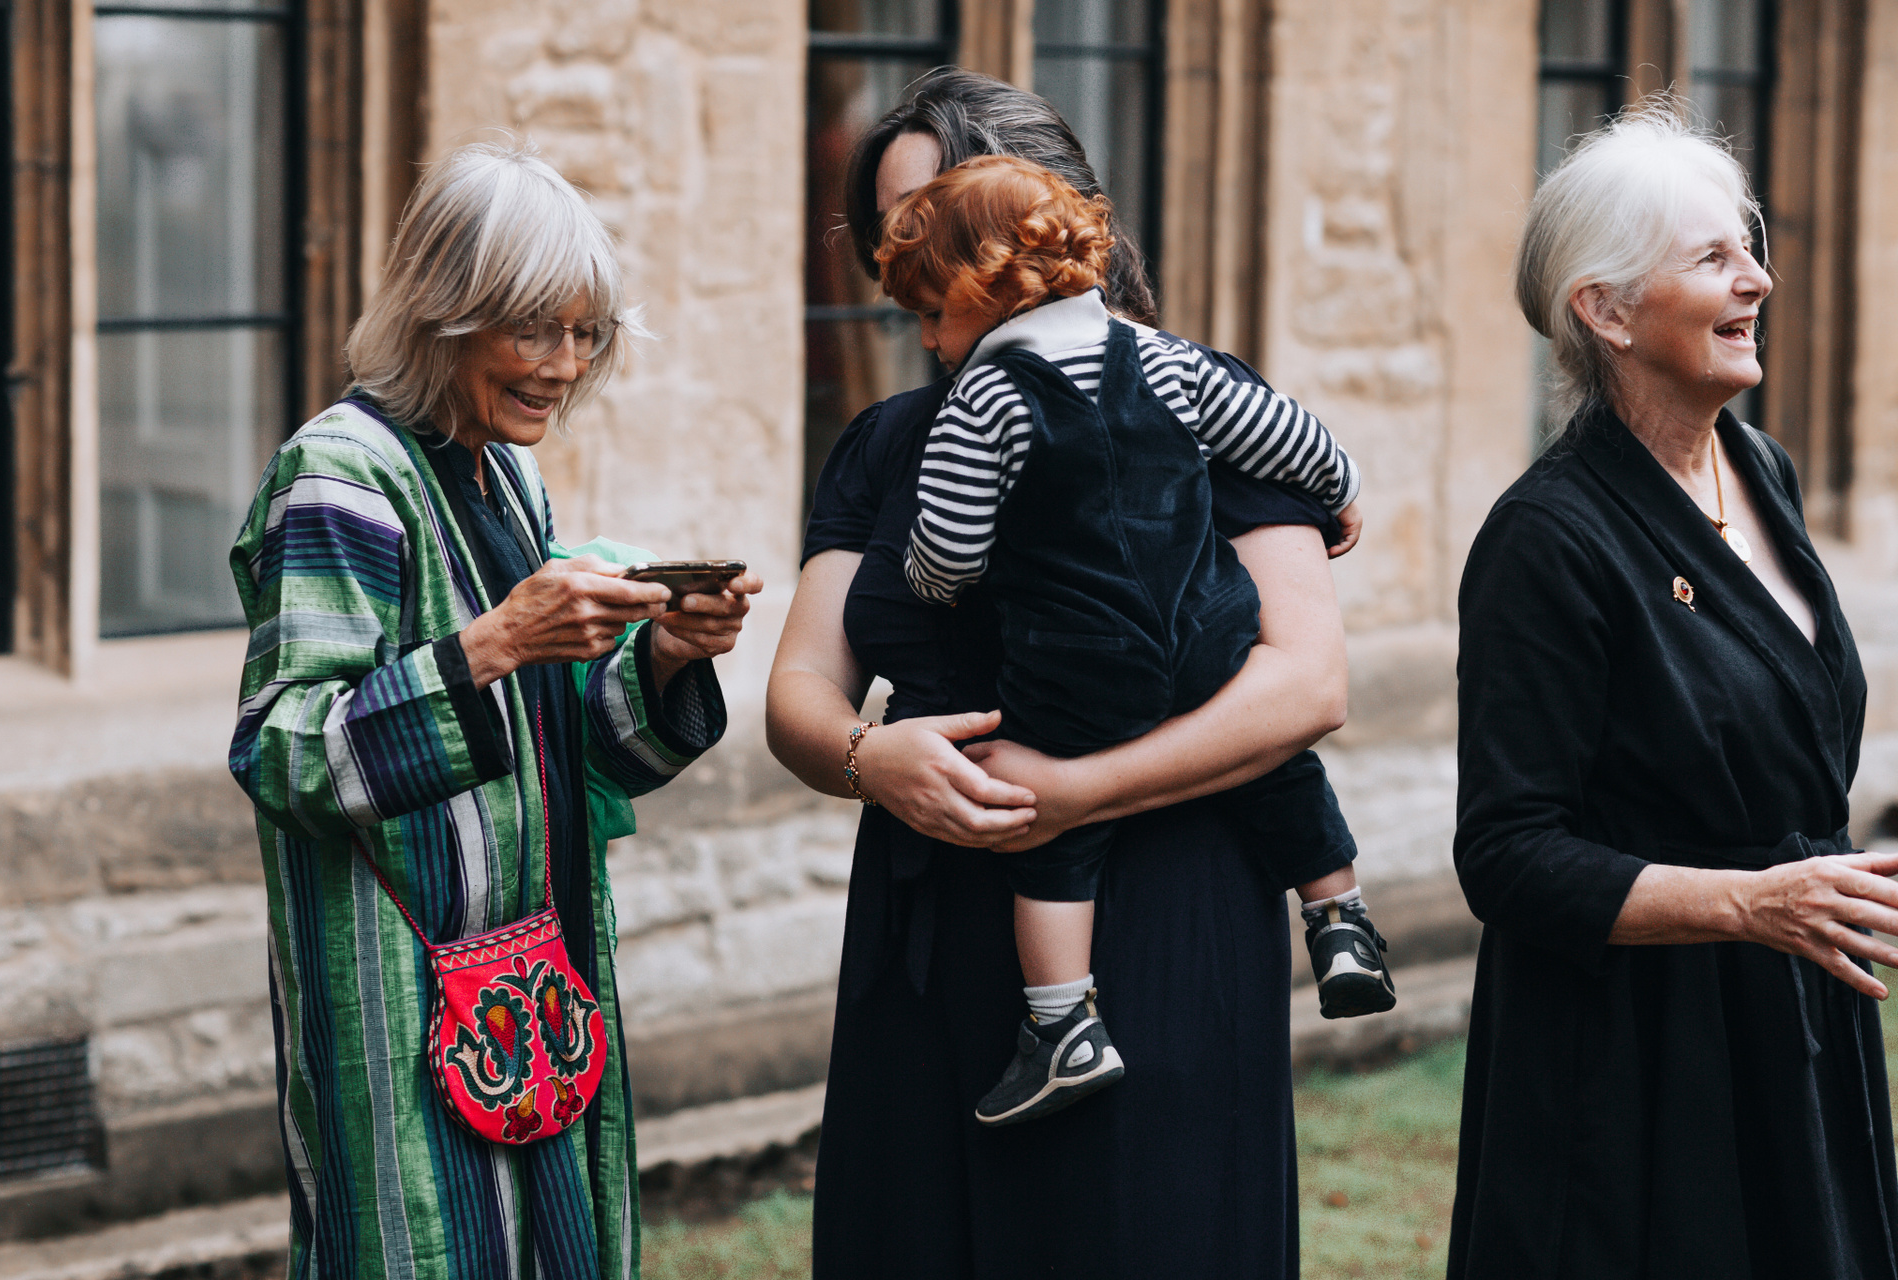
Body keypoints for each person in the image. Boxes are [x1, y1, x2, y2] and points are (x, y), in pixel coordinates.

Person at [768, 68, 1356, 1275]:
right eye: (890, 229)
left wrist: (1077, 792)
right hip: (927, 926)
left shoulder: (1183, 393)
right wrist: (871, 758)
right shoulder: (887, 441)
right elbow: (798, 694)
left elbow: (1308, 685)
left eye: (935, 210)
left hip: (1160, 908)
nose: (911, 250)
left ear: (1038, 217)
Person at [228, 141, 761, 1280]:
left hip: (540, 989)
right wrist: (496, 643)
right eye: (533, 331)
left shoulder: (504, 473)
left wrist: (667, 653)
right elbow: (284, 753)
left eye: (586, 334)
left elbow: (562, 748)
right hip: (400, 1006)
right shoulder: (340, 476)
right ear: (444, 313)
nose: (564, 366)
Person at [1450, 104, 1898, 1278]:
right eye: (1712, 258)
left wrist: (1806, 897)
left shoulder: (1762, 467)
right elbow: (1507, 853)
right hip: (1634, 1061)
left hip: (1791, 1017)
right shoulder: (1545, 540)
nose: (1760, 278)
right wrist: (1751, 902)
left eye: (1749, 246)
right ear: (1605, 310)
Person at [872, 155, 1391, 1127]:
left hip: (1081, 663)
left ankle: (1062, 1024)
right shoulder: (1169, 359)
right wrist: (1342, 490)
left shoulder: (985, 399)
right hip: (1206, 635)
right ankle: (1340, 919)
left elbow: (948, 547)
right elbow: (1288, 438)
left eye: (932, 314)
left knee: (1054, 834)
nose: (931, 341)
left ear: (986, 288)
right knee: (1278, 766)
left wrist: (932, 584)